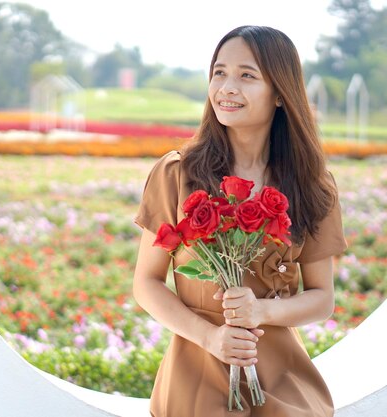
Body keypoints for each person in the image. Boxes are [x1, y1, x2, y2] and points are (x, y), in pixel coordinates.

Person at [133, 25, 347, 417]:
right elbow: (146, 283)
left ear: (280, 93)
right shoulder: (177, 174)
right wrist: (212, 338)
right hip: (196, 365)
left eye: (246, 75)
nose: (226, 87)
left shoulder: (312, 186)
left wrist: (261, 312)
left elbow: (322, 299)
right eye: (219, 72)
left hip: (280, 370)